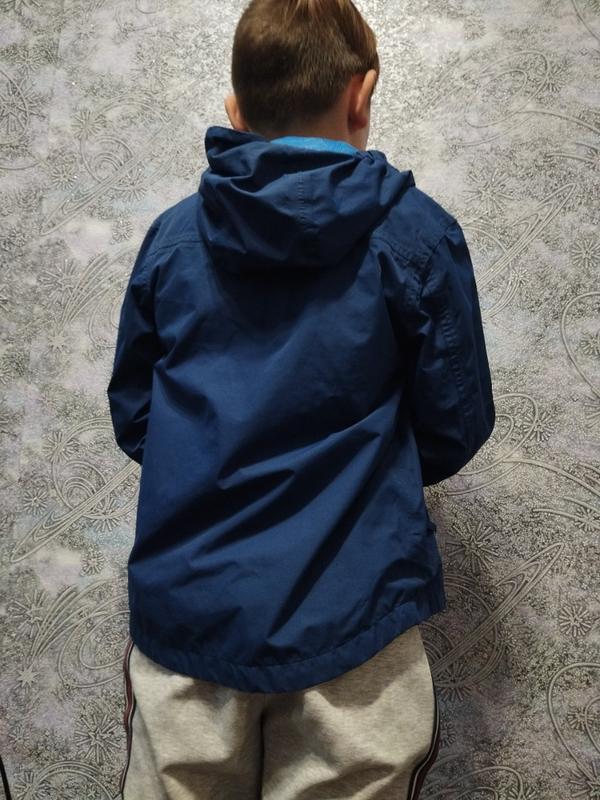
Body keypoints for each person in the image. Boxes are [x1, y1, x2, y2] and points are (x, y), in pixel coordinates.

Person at [107, 0, 496, 797]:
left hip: (192, 613)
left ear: (236, 110)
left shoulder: (173, 240)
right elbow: (455, 423)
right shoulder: (416, 236)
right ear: (362, 93)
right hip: (356, 615)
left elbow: (137, 415)